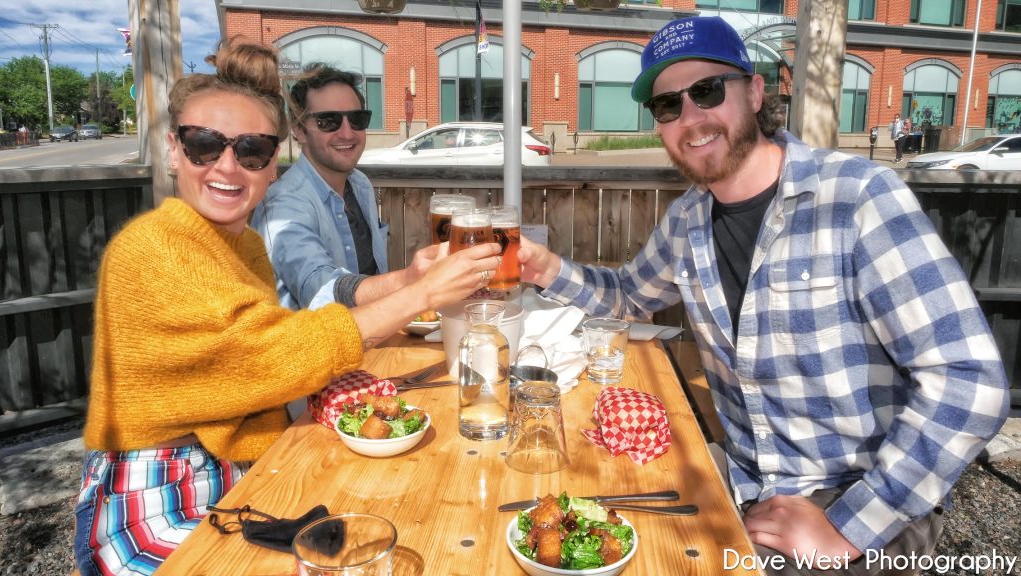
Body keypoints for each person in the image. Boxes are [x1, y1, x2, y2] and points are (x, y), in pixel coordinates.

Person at [518, 16, 1009, 576]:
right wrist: (543, 267)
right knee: (586, 514)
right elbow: (628, 297)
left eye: (707, 91)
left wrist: (850, 526)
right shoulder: (687, 221)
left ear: (754, 92)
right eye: (668, 105)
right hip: (750, 482)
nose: (690, 117)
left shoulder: (857, 197)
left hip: (859, 497)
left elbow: (969, 380)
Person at [73, 40, 499, 576]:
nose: (228, 165)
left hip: (240, 475)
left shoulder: (244, 245)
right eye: (205, 145)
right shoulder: (151, 247)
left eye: (252, 150)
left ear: (273, 161)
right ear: (174, 149)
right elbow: (268, 357)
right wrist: (420, 293)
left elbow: (265, 354)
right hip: (154, 496)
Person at [252, 64, 409, 311]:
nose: (347, 133)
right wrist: (411, 282)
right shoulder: (282, 206)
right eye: (328, 121)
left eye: (357, 119)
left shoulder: (360, 184)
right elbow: (319, 289)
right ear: (299, 130)